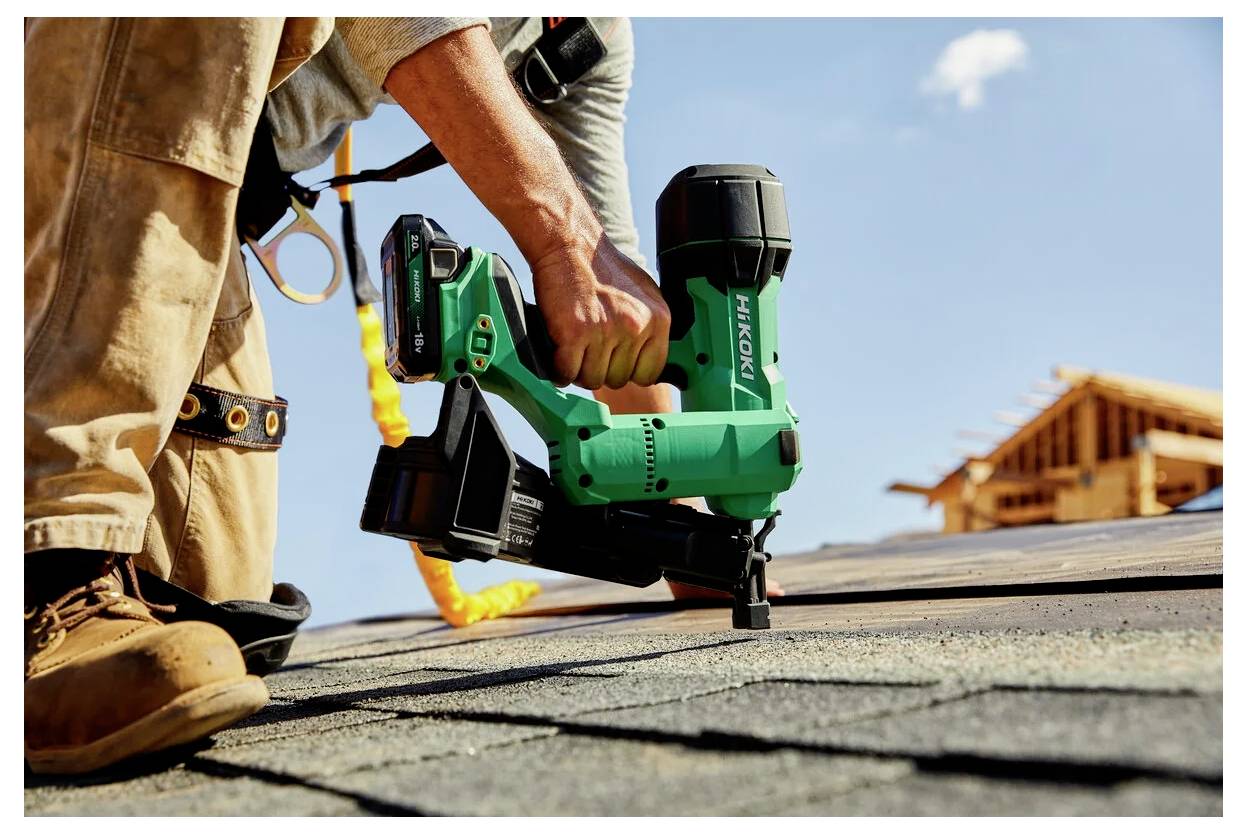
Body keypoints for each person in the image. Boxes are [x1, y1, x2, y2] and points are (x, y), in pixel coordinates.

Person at [23, 17, 761, 776]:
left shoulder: (584, 34)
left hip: (179, 205)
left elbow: (608, 291)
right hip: (72, 127)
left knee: (201, 614)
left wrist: (679, 515)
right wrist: (564, 243)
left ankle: (73, 563)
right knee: (70, 560)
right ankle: (47, 569)